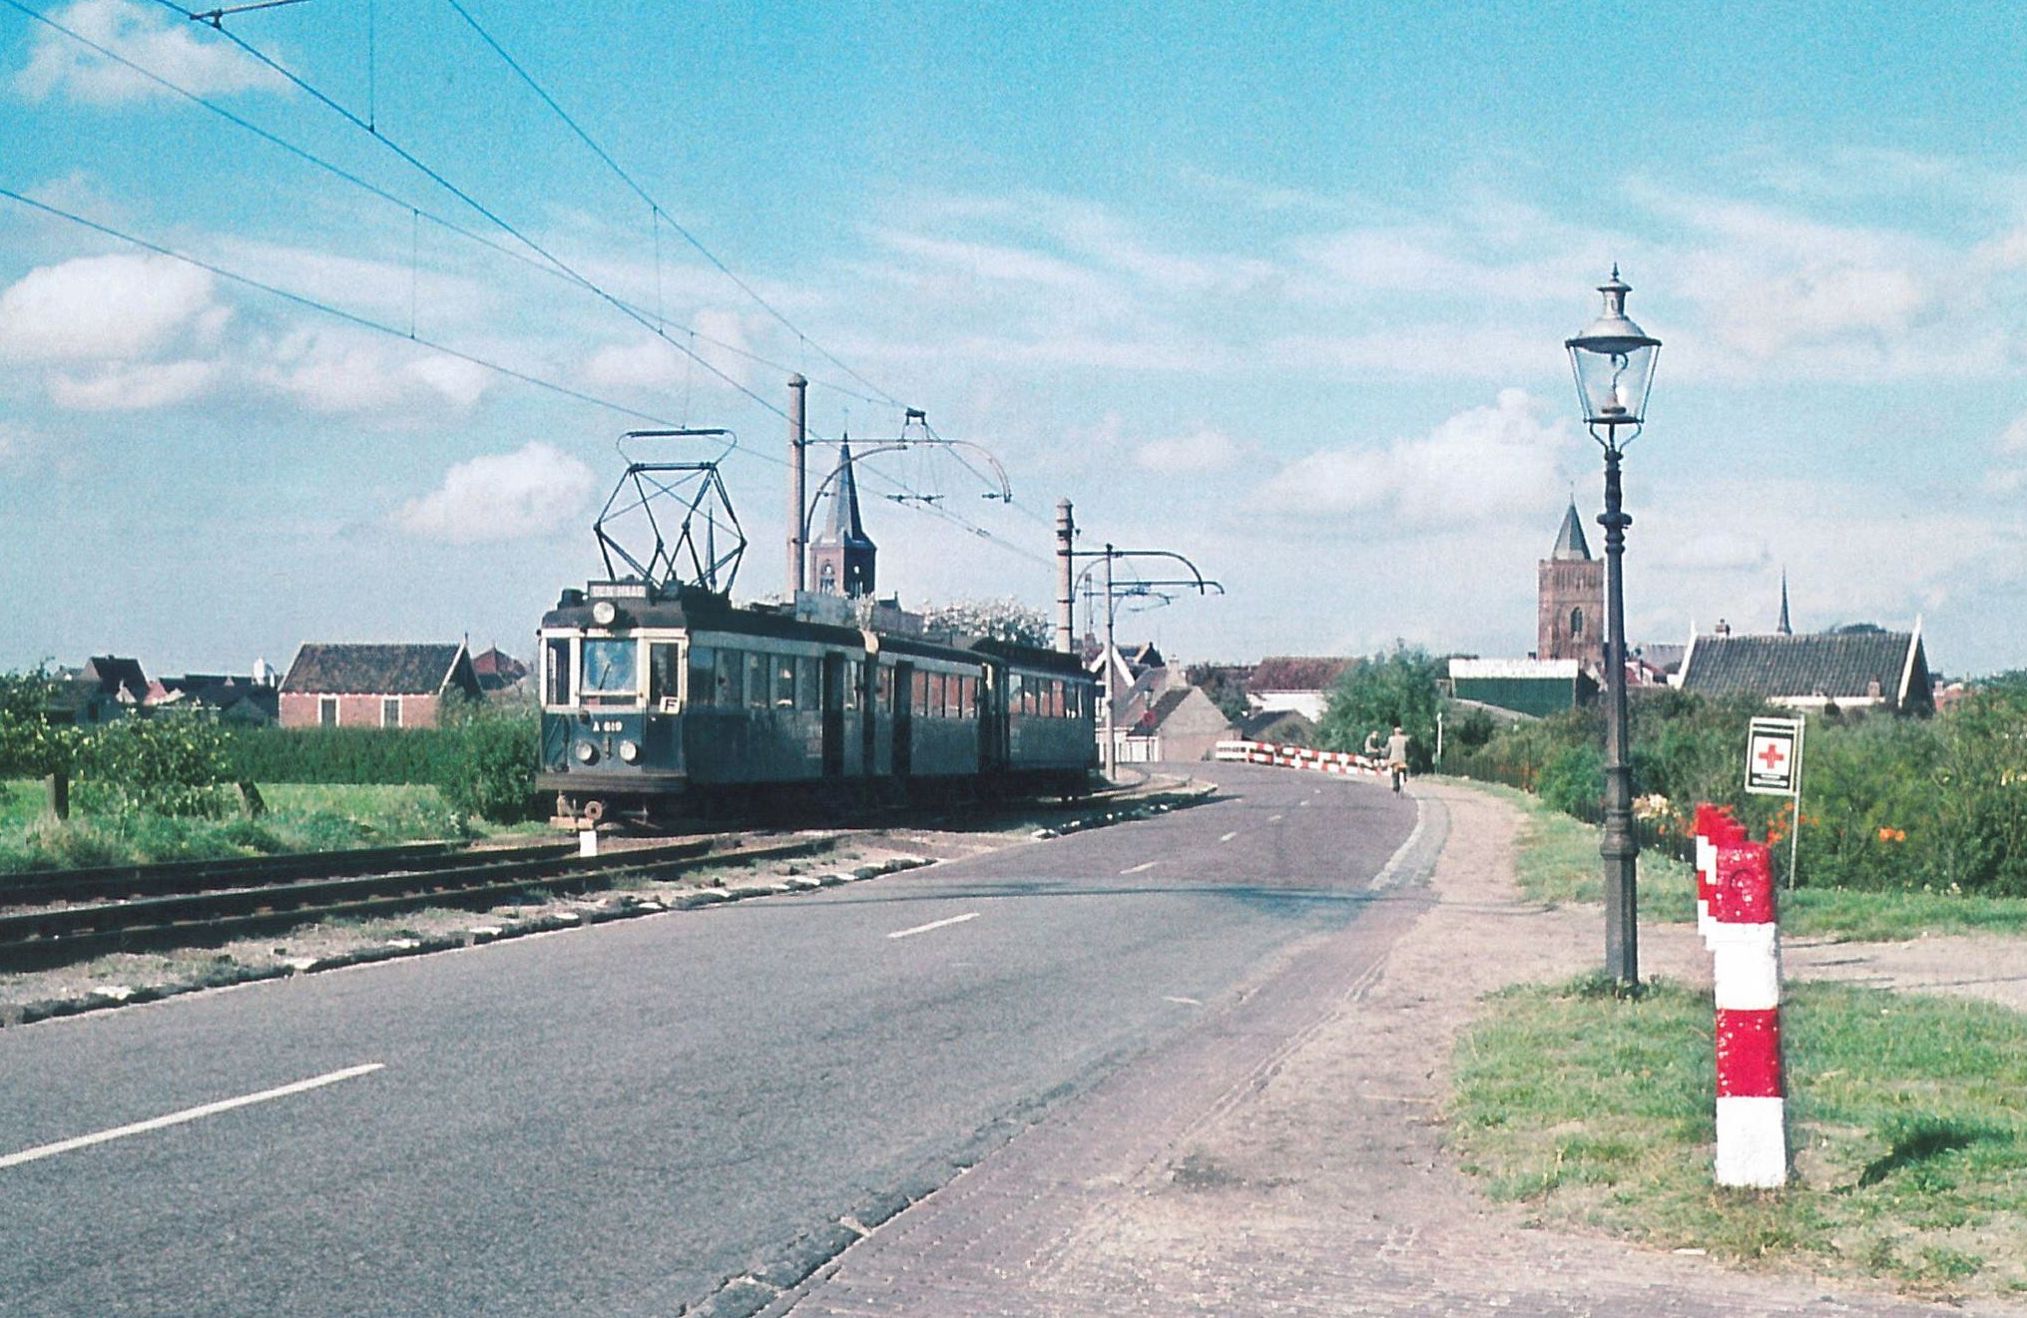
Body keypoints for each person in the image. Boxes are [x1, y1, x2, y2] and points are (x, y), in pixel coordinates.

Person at [1385, 725, 1411, 794]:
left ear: (1395, 732)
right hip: (1403, 759)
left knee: (1395, 774)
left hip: (1394, 760)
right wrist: (1408, 757)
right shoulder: (1405, 739)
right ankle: (1404, 781)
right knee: (1404, 771)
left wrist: (1386, 756)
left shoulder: (1391, 739)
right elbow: (1408, 749)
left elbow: (1388, 749)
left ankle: (1395, 788)